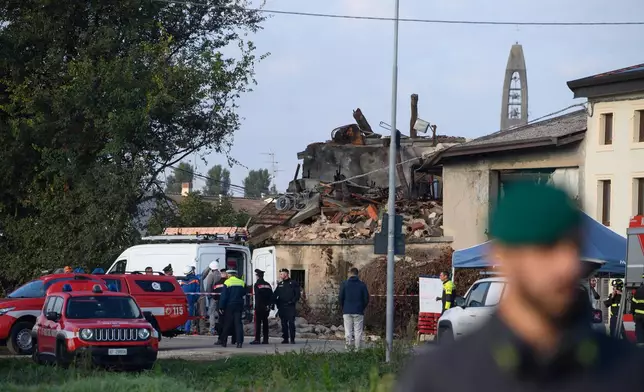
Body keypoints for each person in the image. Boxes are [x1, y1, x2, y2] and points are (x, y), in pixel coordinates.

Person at [397, 182, 644, 391]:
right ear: (502, 256)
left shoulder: (627, 369)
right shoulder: (444, 376)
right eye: (547, 248)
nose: (568, 265)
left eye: (574, 247)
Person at [339, 267, 369, 350]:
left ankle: (348, 348)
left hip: (347, 310)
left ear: (350, 273)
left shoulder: (344, 284)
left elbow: (340, 297)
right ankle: (357, 349)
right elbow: (366, 298)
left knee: (348, 330)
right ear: (357, 274)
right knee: (358, 331)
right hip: (358, 310)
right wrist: (362, 307)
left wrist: (343, 307)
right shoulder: (362, 285)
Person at [218, 269, 246, 348]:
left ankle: (224, 341)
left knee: (227, 323)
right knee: (238, 324)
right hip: (239, 305)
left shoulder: (227, 282)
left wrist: (221, 306)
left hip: (229, 305)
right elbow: (244, 292)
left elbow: (224, 296)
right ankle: (239, 342)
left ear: (229, 275)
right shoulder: (241, 282)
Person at [273, 268, 301, 344]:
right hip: (282, 307)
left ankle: (292, 339)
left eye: (282, 274)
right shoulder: (280, 284)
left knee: (291, 323)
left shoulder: (293, 283)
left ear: (286, 274)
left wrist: (292, 301)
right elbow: (275, 294)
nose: (280, 275)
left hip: (290, 306)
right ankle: (285, 338)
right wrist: (275, 303)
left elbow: (297, 294)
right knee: (283, 323)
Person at [250, 269, 273, 345]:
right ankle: (266, 339)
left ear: (257, 276)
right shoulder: (268, 284)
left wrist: (256, 307)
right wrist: (269, 305)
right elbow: (271, 296)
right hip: (266, 307)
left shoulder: (257, 284)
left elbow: (258, 297)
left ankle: (257, 339)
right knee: (265, 323)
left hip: (259, 307)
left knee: (258, 324)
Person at [200, 261, 221, 335]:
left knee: (211, 312)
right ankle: (220, 327)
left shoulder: (211, 275)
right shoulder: (220, 274)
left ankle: (212, 329)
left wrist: (208, 295)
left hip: (212, 296)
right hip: (219, 296)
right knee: (218, 312)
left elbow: (209, 286)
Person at [213, 269, 232, 344]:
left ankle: (221, 339)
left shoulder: (217, 284)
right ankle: (233, 339)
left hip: (219, 304)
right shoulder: (229, 282)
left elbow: (214, 296)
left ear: (221, 274)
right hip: (229, 304)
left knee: (221, 322)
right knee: (229, 321)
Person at [180, 265, 199, 334]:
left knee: (182, 313)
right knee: (189, 315)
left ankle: (180, 328)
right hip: (191, 299)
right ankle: (187, 329)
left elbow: (181, 289)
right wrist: (195, 299)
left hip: (182, 299)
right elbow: (197, 291)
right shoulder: (196, 279)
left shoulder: (182, 280)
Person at [632, 274, 644, 346]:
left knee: (639, 333)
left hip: (638, 317)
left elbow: (633, 304)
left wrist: (633, 314)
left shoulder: (638, 291)